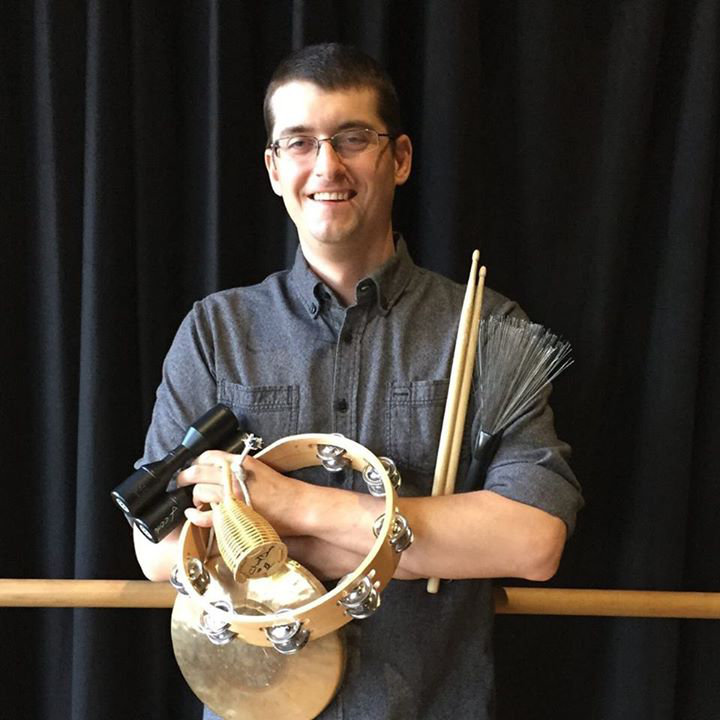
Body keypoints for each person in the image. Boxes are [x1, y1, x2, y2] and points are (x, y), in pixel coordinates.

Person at [133, 42, 583, 720]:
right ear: (274, 167)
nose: (326, 166)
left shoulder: (487, 327)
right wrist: (431, 543)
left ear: (399, 158)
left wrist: (287, 507)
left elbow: (533, 541)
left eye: (352, 138)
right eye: (300, 142)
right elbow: (162, 549)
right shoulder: (215, 331)